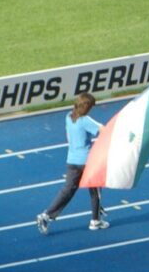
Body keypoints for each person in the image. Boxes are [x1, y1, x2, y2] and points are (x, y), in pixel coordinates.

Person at [36, 93, 108, 235]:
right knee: (95, 192)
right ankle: (95, 221)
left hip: (72, 160)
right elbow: (103, 131)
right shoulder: (85, 120)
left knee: (67, 191)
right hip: (87, 161)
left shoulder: (69, 117)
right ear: (87, 107)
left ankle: (47, 215)